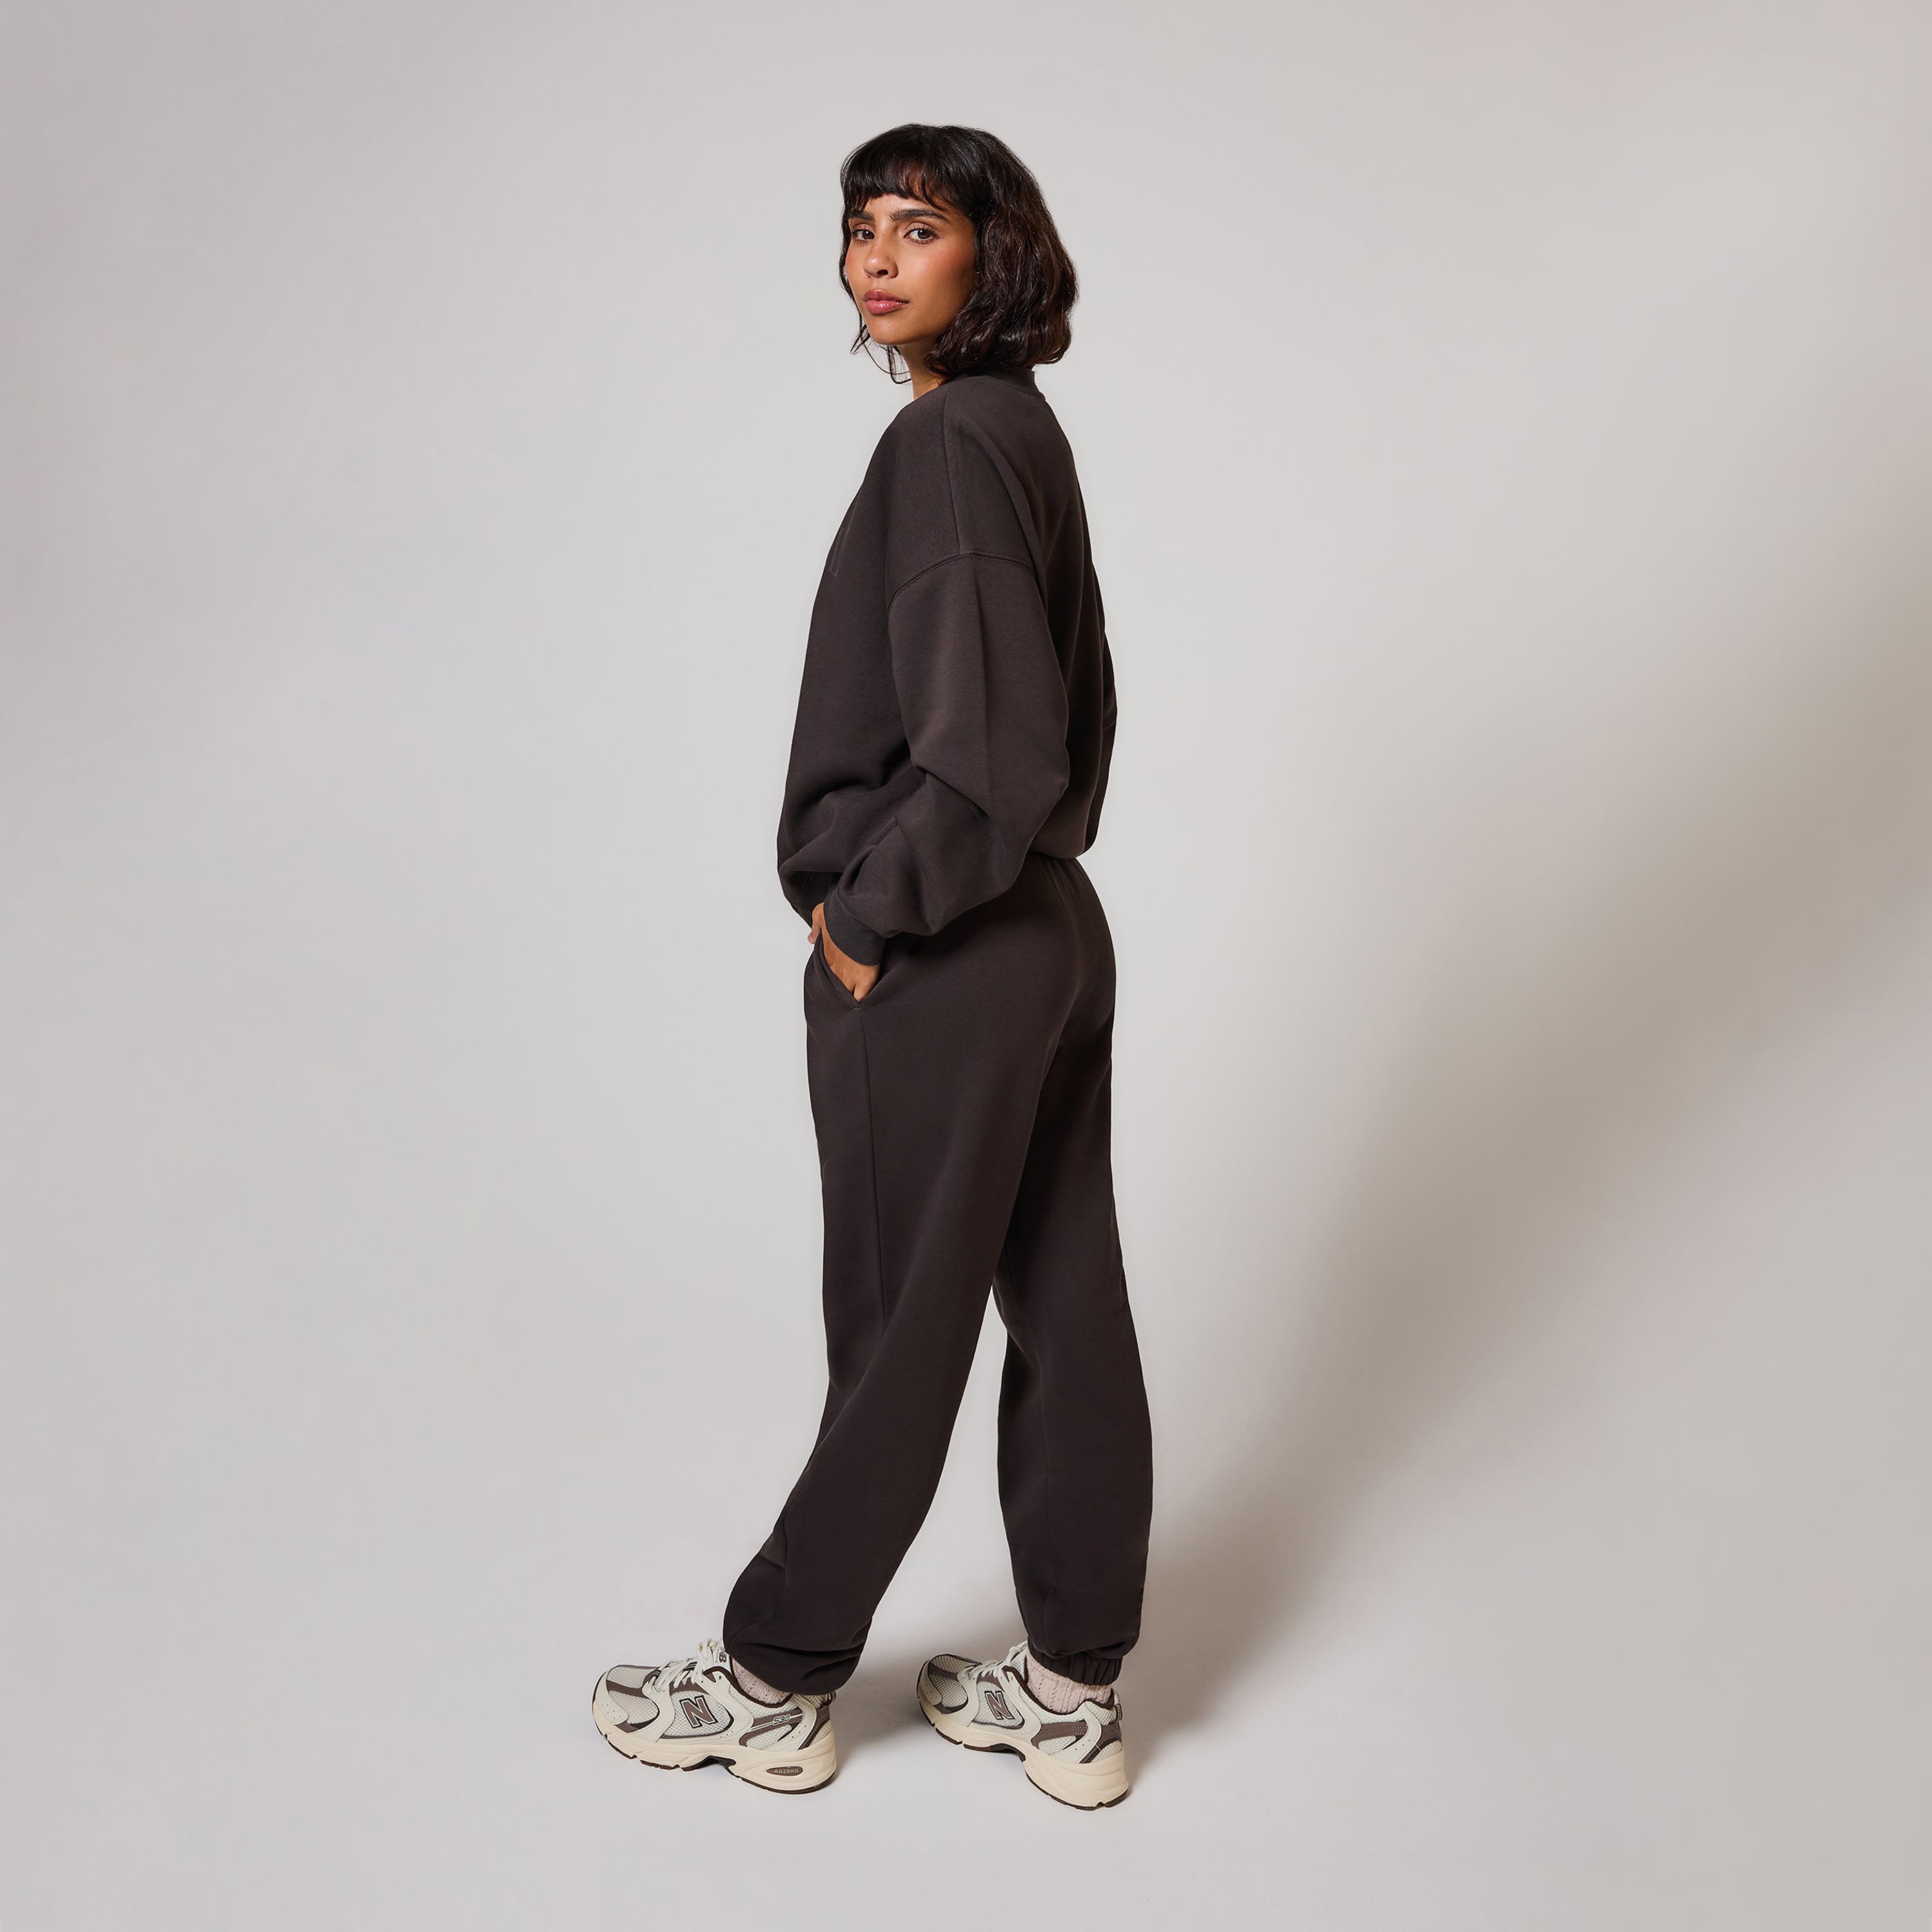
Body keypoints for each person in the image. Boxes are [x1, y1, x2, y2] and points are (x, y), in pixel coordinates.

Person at [592, 124, 1154, 1810]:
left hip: (947, 946)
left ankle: (773, 1678)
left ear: (995, 251)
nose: (875, 258)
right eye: (859, 228)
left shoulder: (950, 441)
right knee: (1064, 1300)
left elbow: (991, 752)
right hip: (1045, 929)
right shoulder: (1018, 429)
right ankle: (1069, 1684)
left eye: (917, 226)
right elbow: (1069, 718)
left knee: (898, 1329)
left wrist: (865, 912)